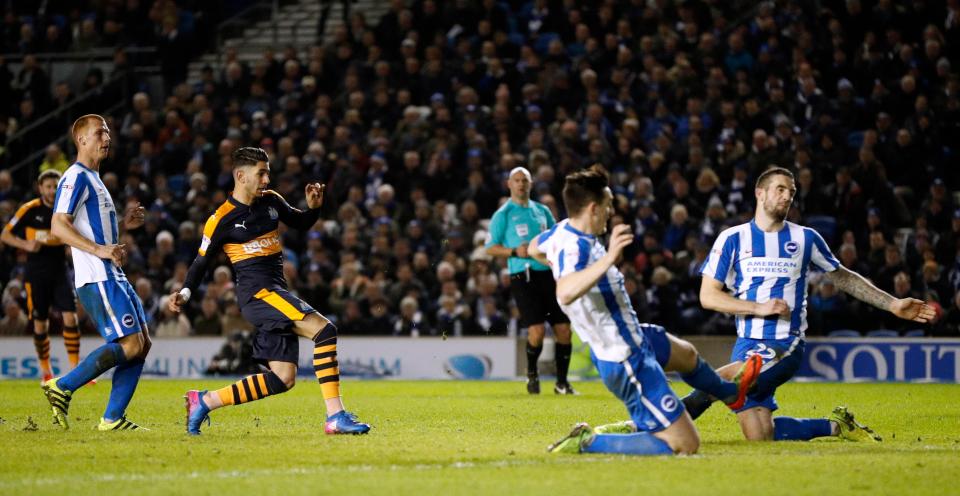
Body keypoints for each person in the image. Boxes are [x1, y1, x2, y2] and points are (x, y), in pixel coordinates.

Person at [683, 166, 936, 442]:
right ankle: (836, 426)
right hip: (745, 344)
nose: (787, 196)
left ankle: (670, 416)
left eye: (791, 191)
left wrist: (893, 304)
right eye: (780, 189)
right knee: (761, 436)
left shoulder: (805, 238)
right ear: (760, 193)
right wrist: (758, 307)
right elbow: (708, 296)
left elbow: (844, 278)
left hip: (784, 344)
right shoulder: (732, 238)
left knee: (729, 379)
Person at [529, 165, 760, 455]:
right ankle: (589, 442)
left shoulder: (561, 231)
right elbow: (564, 291)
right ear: (592, 209)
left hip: (634, 335)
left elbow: (532, 248)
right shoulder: (579, 251)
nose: (611, 211)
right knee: (685, 444)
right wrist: (609, 258)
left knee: (686, 355)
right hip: (626, 357)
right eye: (608, 205)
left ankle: (731, 395)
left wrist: (552, 262)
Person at [169, 147, 370, 435]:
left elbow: (300, 222)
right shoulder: (221, 219)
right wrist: (185, 293)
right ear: (241, 175)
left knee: (282, 378)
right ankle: (335, 416)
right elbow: (201, 262)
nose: (266, 179)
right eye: (260, 173)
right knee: (325, 331)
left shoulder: (271, 201)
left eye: (267, 173)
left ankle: (206, 400)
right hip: (258, 295)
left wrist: (313, 207)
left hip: (275, 292)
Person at [41, 114, 151, 431]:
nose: (106, 137)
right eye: (99, 132)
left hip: (111, 275)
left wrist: (123, 231)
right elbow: (58, 225)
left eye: (108, 131)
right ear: (82, 140)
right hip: (97, 277)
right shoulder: (75, 177)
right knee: (130, 345)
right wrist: (100, 251)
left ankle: (112, 418)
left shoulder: (96, 179)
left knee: (141, 344)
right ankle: (62, 386)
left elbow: (101, 238)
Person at [486, 166, 575, 395]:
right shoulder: (503, 214)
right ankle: (532, 375)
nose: (521, 184)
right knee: (536, 331)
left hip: (549, 274)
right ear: (509, 184)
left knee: (564, 329)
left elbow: (556, 237)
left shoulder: (542, 210)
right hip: (523, 276)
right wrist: (515, 251)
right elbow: (490, 248)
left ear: (531, 184)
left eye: (524, 180)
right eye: (516, 180)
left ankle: (562, 383)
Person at [2, 170, 82, 382]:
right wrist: (24, 244)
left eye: (56, 186)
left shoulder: (66, 210)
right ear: (41, 188)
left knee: (70, 317)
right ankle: (46, 371)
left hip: (60, 271)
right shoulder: (29, 209)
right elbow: (5, 234)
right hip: (36, 273)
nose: (53, 190)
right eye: (48, 186)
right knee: (40, 323)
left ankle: (75, 369)